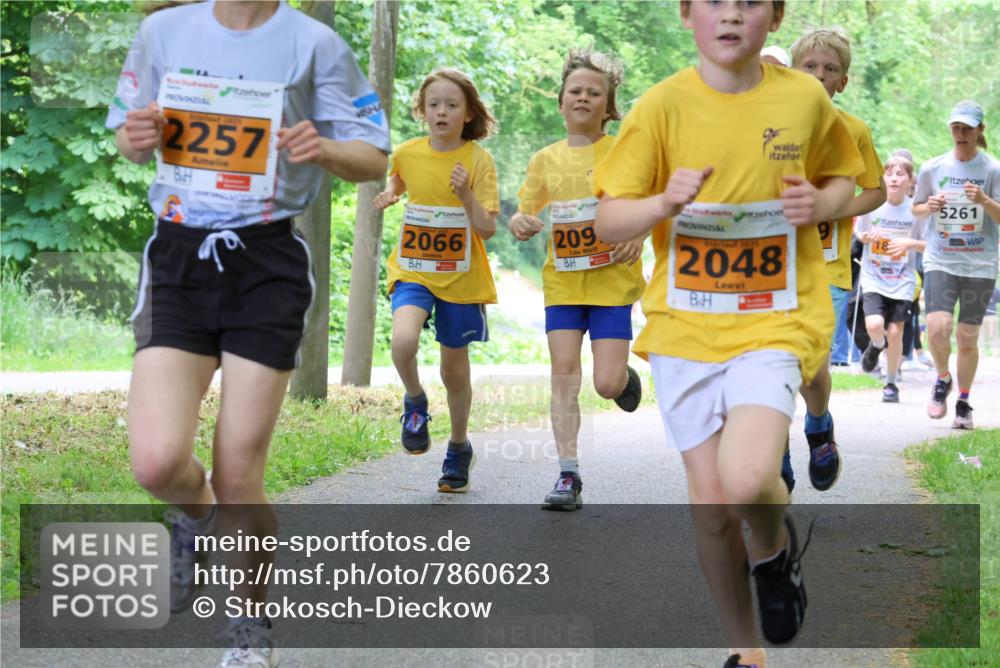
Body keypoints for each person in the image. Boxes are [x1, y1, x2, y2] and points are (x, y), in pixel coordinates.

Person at [107, 1, 389, 666]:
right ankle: (197, 519)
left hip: (266, 262)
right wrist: (139, 136)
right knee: (155, 462)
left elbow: (373, 157)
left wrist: (321, 147)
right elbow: (126, 132)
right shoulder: (164, 32)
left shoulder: (314, 44)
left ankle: (248, 626)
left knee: (239, 475)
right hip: (179, 257)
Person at [593, 2, 864, 667]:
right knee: (712, 506)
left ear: (774, 18)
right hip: (684, 328)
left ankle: (772, 553)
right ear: (687, 13)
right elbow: (608, 220)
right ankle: (747, 653)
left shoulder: (803, 99)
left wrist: (822, 204)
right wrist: (662, 204)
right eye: (715, 0)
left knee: (746, 479)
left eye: (751, 2)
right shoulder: (660, 108)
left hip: (776, 317)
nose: (732, 15)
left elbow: (850, 179)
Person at [510, 48, 645, 511]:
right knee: (564, 374)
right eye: (576, 91)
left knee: (604, 385)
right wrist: (520, 223)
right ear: (561, 102)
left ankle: (622, 377)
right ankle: (568, 475)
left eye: (595, 92)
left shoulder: (624, 152)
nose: (584, 97)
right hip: (564, 282)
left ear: (609, 108)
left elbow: (652, 203)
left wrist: (641, 232)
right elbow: (524, 213)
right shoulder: (545, 159)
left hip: (611, 282)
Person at [373, 68, 499, 491]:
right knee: (402, 341)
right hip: (413, 268)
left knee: (454, 371)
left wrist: (465, 195)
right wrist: (391, 193)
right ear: (422, 111)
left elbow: (486, 229)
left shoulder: (479, 161)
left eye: (451, 104)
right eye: (434, 104)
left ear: (467, 114)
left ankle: (458, 448)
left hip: (461, 277)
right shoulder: (407, 152)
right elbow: (401, 176)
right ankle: (414, 401)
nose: (442, 111)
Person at [786, 26, 885, 491]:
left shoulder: (854, 131)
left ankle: (819, 424)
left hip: (827, 266)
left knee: (811, 362)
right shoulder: (772, 129)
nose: (820, 75)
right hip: (772, 267)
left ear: (842, 81)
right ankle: (771, 452)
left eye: (830, 69)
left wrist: (832, 208)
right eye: (810, 66)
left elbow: (877, 191)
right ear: (793, 71)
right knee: (772, 361)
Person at [912, 100, 1000, 429]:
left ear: (980, 130)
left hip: (979, 264)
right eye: (956, 128)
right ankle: (942, 378)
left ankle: (963, 401)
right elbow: (916, 208)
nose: (961, 134)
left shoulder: (992, 170)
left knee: (966, 336)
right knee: (936, 328)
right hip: (941, 259)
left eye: (967, 128)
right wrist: (928, 206)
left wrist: (984, 200)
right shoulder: (933, 168)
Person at [855, 152, 927, 402]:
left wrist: (910, 243)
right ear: (882, 177)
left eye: (900, 174)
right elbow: (859, 234)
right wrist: (866, 238)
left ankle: (891, 382)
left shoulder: (917, 210)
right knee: (875, 325)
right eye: (889, 173)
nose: (894, 178)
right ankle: (875, 346)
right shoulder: (872, 204)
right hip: (874, 275)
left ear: (910, 180)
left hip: (902, 279)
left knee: (896, 333)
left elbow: (928, 244)